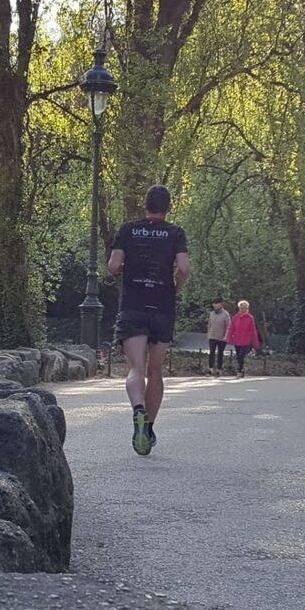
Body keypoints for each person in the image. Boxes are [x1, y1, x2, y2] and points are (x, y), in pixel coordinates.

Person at [109, 185, 190, 455]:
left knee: (136, 368)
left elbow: (113, 266)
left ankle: (138, 410)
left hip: (133, 305)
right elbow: (184, 268)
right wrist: (176, 288)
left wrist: (128, 269)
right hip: (162, 307)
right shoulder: (175, 233)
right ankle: (150, 428)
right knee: (155, 371)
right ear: (169, 207)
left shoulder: (128, 230)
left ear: (145, 205)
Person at [225, 299, 262, 379]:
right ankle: (241, 370)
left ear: (247, 308)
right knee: (238, 356)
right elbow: (231, 328)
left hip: (246, 340)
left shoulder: (250, 318)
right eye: (241, 307)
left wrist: (255, 343)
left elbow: (253, 330)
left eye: (244, 307)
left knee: (241, 355)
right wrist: (229, 338)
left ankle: (239, 371)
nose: (242, 309)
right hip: (237, 340)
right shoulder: (235, 317)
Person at [205, 297, 230, 376]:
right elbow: (209, 325)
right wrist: (208, 335)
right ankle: (210, 369)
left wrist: (226, 336)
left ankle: (219, 369)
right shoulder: (212, 314)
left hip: (222, 337)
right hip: (212, 336)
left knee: (220, 353)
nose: (215, 305)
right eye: (214, 304)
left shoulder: (225, 314)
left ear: (221, 304)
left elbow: (228, 326)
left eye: (217, 304)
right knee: (211, 352)